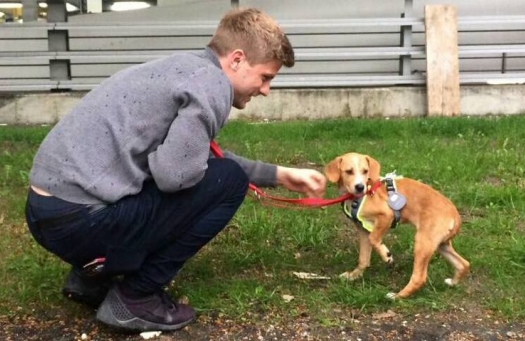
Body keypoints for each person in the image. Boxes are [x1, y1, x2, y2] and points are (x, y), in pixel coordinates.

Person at [24, 7, 326, 332]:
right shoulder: (212, 85)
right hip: (81, 222)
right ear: (237, 59)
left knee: (212, 175)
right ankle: (135, 298)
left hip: (45, 211)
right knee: (229, 182)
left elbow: (191, 158)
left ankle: (92, 277)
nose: (266, 89)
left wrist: (278, 175)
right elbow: (175, 175)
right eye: (266, 77)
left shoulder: (183, 68)